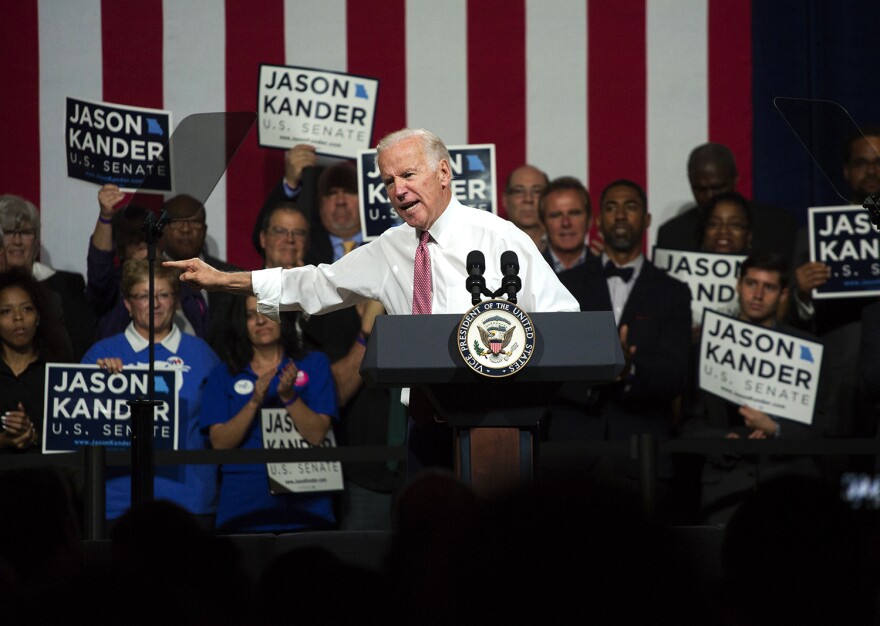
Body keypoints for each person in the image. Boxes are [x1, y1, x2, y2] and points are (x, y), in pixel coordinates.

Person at [166, 127, 579, 477]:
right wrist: (224, 280)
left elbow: (564, 319)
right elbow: (315, 284)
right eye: (388, 181)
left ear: (443, 172)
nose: (398, 190)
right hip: (425, 429)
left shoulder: (499, 237)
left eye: (409, 175)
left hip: (498, 426)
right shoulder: (390, 247)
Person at [550, 179, 692, 496]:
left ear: (647, 220)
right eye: (612, 207)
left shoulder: (672, 293)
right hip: (572, 455)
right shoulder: (563, 284)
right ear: (599, 221)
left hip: (642, 455)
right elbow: (552, 368)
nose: (621, 215)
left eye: (631, 207)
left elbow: (675, 375)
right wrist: (604, 368)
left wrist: (630, 370)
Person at [682, 253, 826, 525]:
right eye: (751, 283)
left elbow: (820, 427)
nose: (757, 294)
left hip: (787, 484)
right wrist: (722, 441)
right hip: (726, 484)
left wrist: (775, 429)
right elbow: (690, 424)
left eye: (768, 287)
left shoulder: (806, 349)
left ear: (784, 294)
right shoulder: (705, 346)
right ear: (738, 285)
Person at [81, 259, 220, 525]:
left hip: (191, 500)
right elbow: (81, 432)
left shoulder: (202, 354)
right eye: (144, 295)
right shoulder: (101, 355)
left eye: (163, 295)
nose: (154, 304)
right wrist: (102, 384)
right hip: (119, 502)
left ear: (176, 300)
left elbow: (220, 428)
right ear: (127, 303)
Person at [200, 295, 338, 533]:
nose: (260, 321)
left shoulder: (315, 364)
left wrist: (289, 397)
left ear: (283, 317)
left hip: (307, 508)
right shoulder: (223, 374)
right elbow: (220, 443)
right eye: (250, 316)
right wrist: (254, 401)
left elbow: (316, 434)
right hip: (243, 510)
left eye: (267, 312)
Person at [655, 143, 796, 260]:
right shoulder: (672, 235)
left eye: (718, 187)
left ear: (735, 180)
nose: (710, 196)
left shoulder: (776, 226)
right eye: (701, 189)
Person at [0, 194, 96, 360]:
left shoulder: (67, 285)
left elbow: (79, 346)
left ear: (36, 239)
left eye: (25, 232)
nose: (17, 241)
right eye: (9, 232)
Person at [0, 269, 73, 453]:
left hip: (48, 477)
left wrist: (34, 437)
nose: (18, 318)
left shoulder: (58, 373)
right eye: (6, 311)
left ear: (39, 316)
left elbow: (72, 439)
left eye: (27, 309)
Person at [161, 194, 239, 350]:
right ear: (162, 227)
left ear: (204, 229)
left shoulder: (229, 275)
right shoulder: (147, 274)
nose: (186, 229)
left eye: (194, 222)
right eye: (177, 221)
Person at [85, 184, 151, 339]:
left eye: (150, 240)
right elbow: (99, 265)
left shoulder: (178, 281)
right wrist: (105, 216)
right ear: (120, 250)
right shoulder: (112, 287)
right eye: (136, 242)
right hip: (116, 361)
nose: (146, 250)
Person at [539, 176, 591, 272]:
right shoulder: (528, 272)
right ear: (543, 224)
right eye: (556, 215)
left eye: (574, 213)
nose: (566, 223)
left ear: (589, 220)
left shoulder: (608, 271)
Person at [502, 164, 549, 251]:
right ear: (505, 200)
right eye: (519, 191)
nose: (528, 199)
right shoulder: (491, 247)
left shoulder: (563, 248)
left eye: (537, 191)